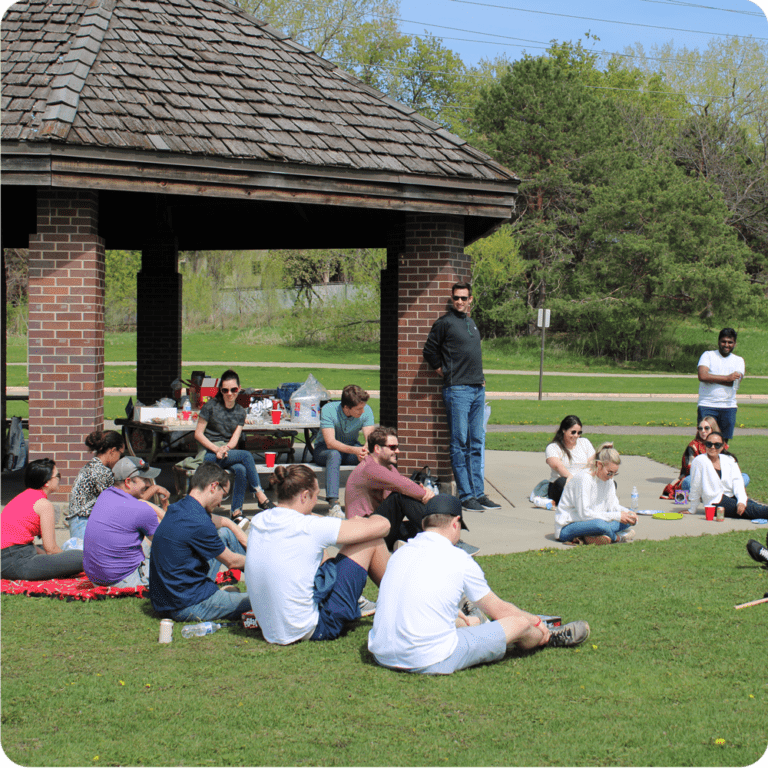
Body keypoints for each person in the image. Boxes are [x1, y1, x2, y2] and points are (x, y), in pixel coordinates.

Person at [368, 494, 590, 674]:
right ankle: (546, 637)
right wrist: (533, 621)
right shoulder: (458, 558)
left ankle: (477, 622)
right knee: (517, 624)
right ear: (455, 523)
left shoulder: (400, 552)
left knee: (464, 619)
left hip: (382, 653)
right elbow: (501, 611)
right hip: (429, 658)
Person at [244, 464, 391, 644]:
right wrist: (365, 520)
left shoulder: (260, 521)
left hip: (273, 629)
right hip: (314, 628)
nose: (315, 503)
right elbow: (383, 527)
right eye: (315, 496)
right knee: (371, 540)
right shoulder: (309, 528)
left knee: (318, 550)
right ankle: (402, 601)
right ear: (305, 496)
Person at [423, 281, 500, 513]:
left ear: (470, 300)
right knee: (460, 444)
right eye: (456, 297)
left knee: (476, 443)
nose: (459, 301)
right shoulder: (445, 323)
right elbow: (429, 350)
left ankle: (478, 493)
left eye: (464, 298)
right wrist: (443, 371)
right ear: (452, 298)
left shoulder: (471, 323)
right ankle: (466, 496)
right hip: (457, 390)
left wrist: (481, 378)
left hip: (477, 389)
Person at [149, 463, 250, 622]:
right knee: (264, 601)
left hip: (168, 598)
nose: (220, 504)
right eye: (223, 495)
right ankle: (270, 585)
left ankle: (255, 585)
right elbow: (231, 561)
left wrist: (231, 524)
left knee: (225, 533)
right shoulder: (199, 521)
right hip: (187, 605)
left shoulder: (180, 507)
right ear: (213, 486)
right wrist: (262, 561)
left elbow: (219, 522)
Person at [195, 369, 272, 526]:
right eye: (225, 390)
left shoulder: (240, 411)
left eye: (233, 390)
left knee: (241, 469)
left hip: (225, 453)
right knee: (246, 456)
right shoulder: (210, 406)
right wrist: (216, 449)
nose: (229, 393)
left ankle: (236, 512)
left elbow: (234, 439)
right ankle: (260, 494)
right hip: (209, 454)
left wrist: (225, 449)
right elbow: (198, 434)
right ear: (221, 391)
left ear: (239, 388)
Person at [344, 426, 436, 550]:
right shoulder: (370, 468)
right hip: (363, 533)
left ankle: (434, 536)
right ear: (377, 448)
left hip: (378, 526)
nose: (397, 451)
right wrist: (431, 499)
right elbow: (404, 487)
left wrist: (425, 492)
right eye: (393, 447)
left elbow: (407, 486)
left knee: (417, 527)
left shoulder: (388, 468)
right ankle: (442, 535)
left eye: (397, 447)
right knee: (400, 496)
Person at [66, 430, 169, 539]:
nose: (119, 459)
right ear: (112, 451)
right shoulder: (101, 473)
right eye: (120, 454)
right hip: (84, 525)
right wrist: (154, 489)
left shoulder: (93, 466)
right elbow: (124, 504)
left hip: (83, 522)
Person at [82, 457, 165, 587]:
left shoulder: (104, 496)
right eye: (144, 479)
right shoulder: (140, 509)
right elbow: (171, 543)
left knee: (146, 537)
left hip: (96, 578)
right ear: (128, 482)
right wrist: (153, 507)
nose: (149, 484)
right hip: (123, 580)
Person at [1, 459, 84, 580]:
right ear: (46, 482)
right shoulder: (43, 504)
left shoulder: (23, 496)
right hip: (15, 563)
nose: (59, 479)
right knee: (83, 558)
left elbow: (25, 543)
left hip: (7, 558)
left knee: (43, 549)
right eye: (58, 476)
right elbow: (51, 549)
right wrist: (65, 559)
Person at [312, 384, 375, 518]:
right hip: (324, 450)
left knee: (370, 458)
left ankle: (368, 502)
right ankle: (333, 505)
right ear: (346, 407)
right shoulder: (329, 410)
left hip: (350, 448)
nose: (362, 411)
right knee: (334, 455)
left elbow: (370, 438)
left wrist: (364, 450)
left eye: (363, 407)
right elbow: (330, 443)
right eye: (358, 409)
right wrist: (356, 450)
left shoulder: (366, 410)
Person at [555, 443, 638, 545]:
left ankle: (590, 537)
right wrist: (617, 516)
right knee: (600, 525)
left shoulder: (609, 481)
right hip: (569, 527)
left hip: (597, 520)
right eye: (609, 472)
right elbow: (584, 515)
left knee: (628, 520)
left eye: (614, 473)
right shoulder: (584, 479)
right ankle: (617, 537)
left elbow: (613, 506)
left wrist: (628, 513)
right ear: (599, 465)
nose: (611, 477)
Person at [660, 417, 748, 500]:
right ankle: (722, 493)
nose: (703, 431)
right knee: (687, 481)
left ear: (713, 429)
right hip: (701, 479)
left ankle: (716, 494)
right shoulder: (693, 445)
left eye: (706, 428)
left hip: (720, 478)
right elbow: (690, 470)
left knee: (745, 477)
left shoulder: (720, 443)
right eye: (700, 428)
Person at [686, 431, 768, 520]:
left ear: (722, 446)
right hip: (715, 502)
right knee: (754, 510)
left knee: (755, 506)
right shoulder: (699, 461)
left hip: (732, 495)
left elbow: (738, 482)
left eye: (717, 445)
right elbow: (695, 486)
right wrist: (692, 509)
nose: (712, 447)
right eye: (709, 444)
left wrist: (741, 501)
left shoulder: (729, 459)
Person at [697, 328, 745, 442]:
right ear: (718, 342)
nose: (726, 345)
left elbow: (734, 383)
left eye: (730, 342)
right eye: (723, 341)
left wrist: (711, 377)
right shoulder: (708, 355)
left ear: (734, 343)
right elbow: (702, 376)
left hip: (728, 406)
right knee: (704, 442)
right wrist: (727, 378)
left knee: (723, 443)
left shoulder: (738, 360)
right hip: (707, 405)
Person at [544, 416, 595, 505]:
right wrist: (575, 482)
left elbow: (592, 462)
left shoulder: (585, 442)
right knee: (561, 482)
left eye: (579, 432)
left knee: (609, 482)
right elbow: (558, 466)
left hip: (583, 482)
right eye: (573, 432)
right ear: (564, 430)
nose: (576, 435)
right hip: (564, 483)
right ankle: (581, 501)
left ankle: (584, 501)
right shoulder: (553, 447)